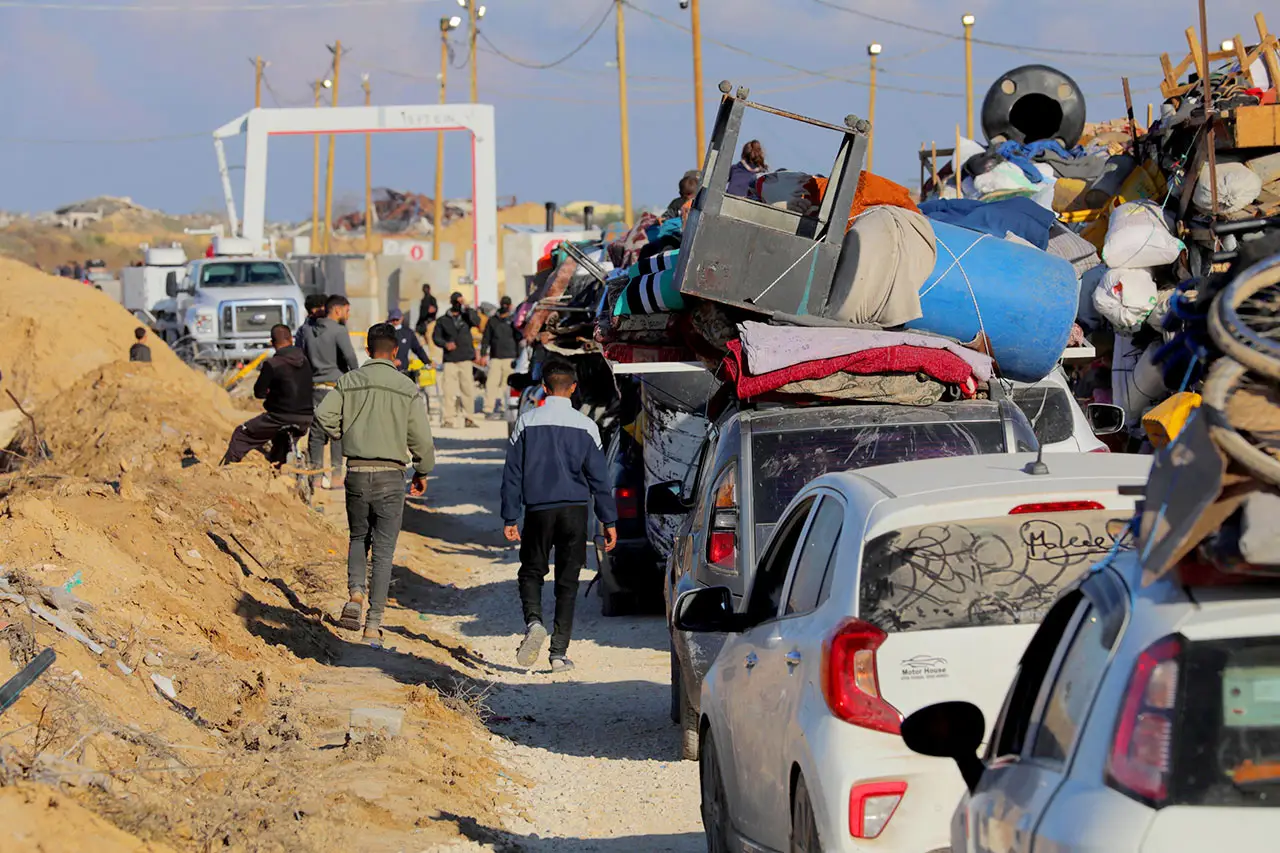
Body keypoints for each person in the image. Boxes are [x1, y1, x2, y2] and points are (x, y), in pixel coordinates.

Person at [316, 323, 435, 645]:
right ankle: (372, 625)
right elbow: (421, 439)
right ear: (396, 351)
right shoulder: (405, 387)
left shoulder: (348, 381)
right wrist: (423, 471)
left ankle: (355, 594)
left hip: (356, 471)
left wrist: (345, 434)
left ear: (367, 350)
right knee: (383, 553)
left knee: (358, 537)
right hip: (390, 476)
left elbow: (324, 416)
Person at [501, 360, 617, 673]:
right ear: (573, 389)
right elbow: (600, 480)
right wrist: (609, 520)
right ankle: (558, 653)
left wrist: (510, 517)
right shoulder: (587, 426)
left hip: (538, 510)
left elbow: (512, 474)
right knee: (568, 581)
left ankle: (534, 622)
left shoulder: (526, 422)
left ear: (545, 387)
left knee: (531, 571)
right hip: (575, 512)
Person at [222, 325, 314, 465]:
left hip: (280, 417)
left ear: (272, 342)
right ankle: (280, 470)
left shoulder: (272, 364)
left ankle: (227, 470)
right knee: (279, 442)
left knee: (241, 434)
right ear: (291, 339)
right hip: (307, 418)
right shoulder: (306, 361)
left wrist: (271, 393)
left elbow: (259, 392)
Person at [303, 295, 360, 488]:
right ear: (337, 310)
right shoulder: (338, 331)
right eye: (347, 310)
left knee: (316, 435)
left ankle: (316, 478)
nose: (348, 314)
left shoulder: (307, 331)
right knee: (337, 433)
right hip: (335, 388)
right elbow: (350, 357)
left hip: (315, 389)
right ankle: (336, 477)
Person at [433, 291, 482, 429]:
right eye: (456, 302)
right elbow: (436, 337)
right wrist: (445, 344)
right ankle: (448, 419)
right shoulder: (442, 320)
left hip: (465, 358)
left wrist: (467, 306)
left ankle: (469, 418)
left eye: (459, 302)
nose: (457, 305)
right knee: (448, 391)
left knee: (467, 390)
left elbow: (477, 322)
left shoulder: (467, 317)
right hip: (450, 359)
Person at [480, 296, 521, 420]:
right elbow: (486, 338)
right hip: (495, 357)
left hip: (510, 357)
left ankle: (505, 408)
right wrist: (483, 354)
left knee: (507, 385)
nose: (505, 307)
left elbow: (518, 338)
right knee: (491, 384)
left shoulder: (514, 320)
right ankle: (488, 409)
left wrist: (519, 356)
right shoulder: (493, 320)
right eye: (503, 304)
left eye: (506, 305)